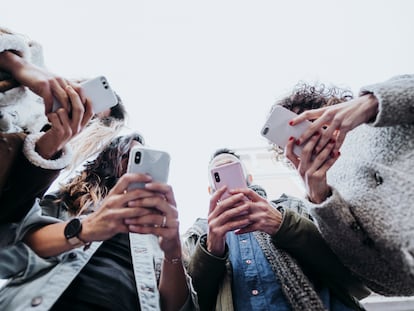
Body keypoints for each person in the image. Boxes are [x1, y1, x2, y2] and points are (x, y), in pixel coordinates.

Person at [0, 132, 196, 311]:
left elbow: (179, 307)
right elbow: (9, 253)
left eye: (140, 158)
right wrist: (86, 228)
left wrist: (172, 253)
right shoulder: (68, 199)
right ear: (109, 160)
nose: (131, 166)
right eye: (127, 155)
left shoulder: (158, 230)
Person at [183, 148, 369, 311]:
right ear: (211, 190)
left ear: (249, 178)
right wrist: (212, 249)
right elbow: (195, 300)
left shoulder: (292, 207)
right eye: (218, 175)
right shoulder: (200, 233)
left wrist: (283, 224)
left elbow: (348, 270)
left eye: (233, 169)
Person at [275, 79, 414, 296]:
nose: (307, 134)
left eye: (308, 119)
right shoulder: (325, 197)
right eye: (293, 138)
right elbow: (391, 284)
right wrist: (321, 199)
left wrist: (374, 102)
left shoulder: (377, 117)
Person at [0, 26, 126, 228]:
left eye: (91, 119)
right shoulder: (29, 57)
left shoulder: (44, 159)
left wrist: (48, 148)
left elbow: (7, 217)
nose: (80, 115)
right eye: (84, 104)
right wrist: (16, 64)